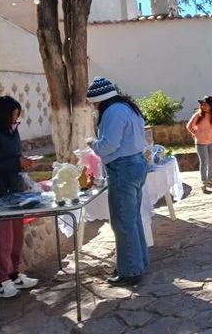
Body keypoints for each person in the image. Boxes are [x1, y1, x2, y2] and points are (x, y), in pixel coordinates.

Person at [86, 77, 149, 287]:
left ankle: (131, 270)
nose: (95, 108)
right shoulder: (127, 107)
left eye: (95, 104)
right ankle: (139, 262)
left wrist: (93, 144)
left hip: (123, 167)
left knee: (122, 221)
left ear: (101, 100)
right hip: (136, 163)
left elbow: (108, 145)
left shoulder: (112, 112)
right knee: (133, 218)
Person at [0, 95, 39, 298]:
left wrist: (23, 162)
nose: (16, 118)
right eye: (13, 114)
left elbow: (13, 156)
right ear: (2, 114)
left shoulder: (12, 131)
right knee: (3, 240)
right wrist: (17, 163)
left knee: (17, 237)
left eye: (17, 114)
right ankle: (2, 281)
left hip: (15, 191)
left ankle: (15, 274)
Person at [186, 95, 212, 191]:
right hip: (201, 142)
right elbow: (189, 126)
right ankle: (203, 181)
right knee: (204, 161)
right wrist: (196, 133)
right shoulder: (198, 115)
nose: (203, 106)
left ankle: (210, 179)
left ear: (210, 106)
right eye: (202, 104)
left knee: (211, 161)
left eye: (205, 104)